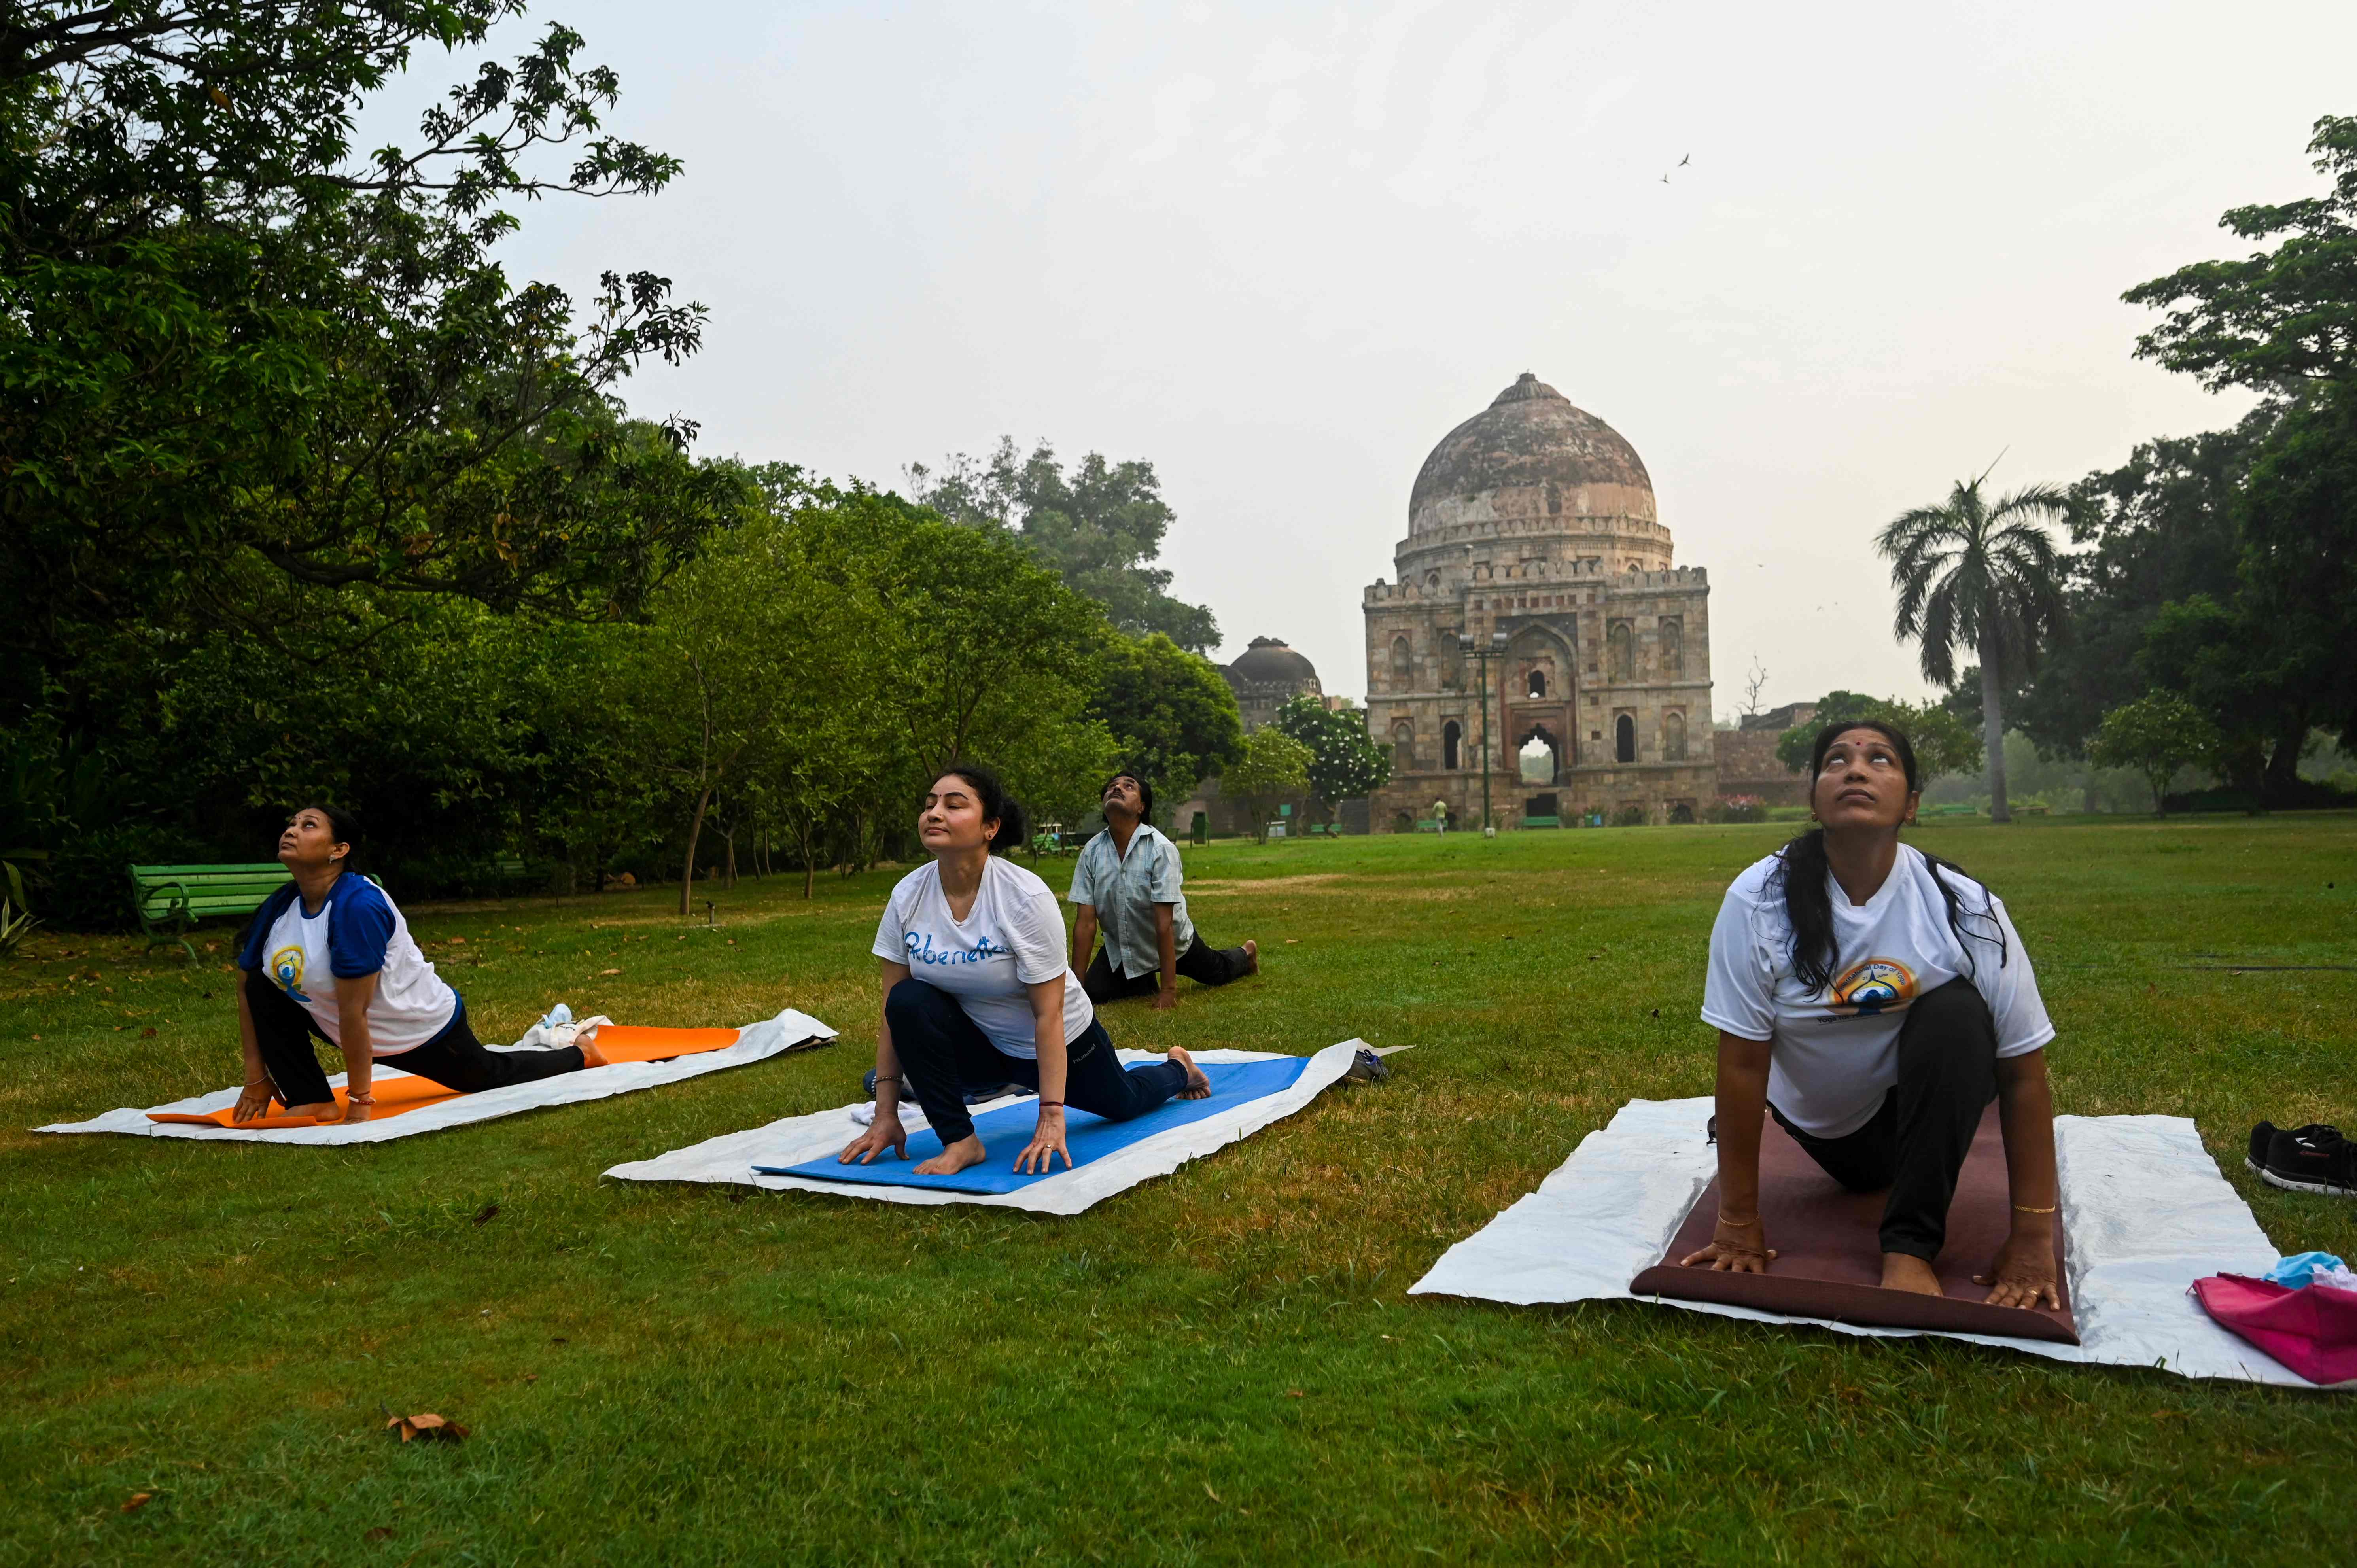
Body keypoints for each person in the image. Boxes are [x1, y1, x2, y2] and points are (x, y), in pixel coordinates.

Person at [1683, 721, 2062, 1307]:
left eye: (1879, 759)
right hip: (1830, 1134)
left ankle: (1909, 1250)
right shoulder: (1758, 900)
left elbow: (2022, 1072)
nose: (1856, 769)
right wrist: (1737, 1221)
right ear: (1814, 800)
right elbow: (1741, 1064)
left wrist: (2034, 1238)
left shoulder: (1964, 906)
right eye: (1836, 761)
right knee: (1937, 1033)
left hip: (1925, 1106)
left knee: (1958, 1015)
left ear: (1911, 804)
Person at [838, 765, 1211, 1177]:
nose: (934, 813)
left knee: (1125, 1102)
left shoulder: (1023, 896)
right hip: (984, 1047)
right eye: (929, 805)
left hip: (1061, 1041)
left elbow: (1048, 1013)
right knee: (907, 1001)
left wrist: (1051, 1113)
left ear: (991, 827)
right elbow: (893, 1012)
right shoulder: (907, 895)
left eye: (954, 805)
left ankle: (1179, 1068)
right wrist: (885, 1114)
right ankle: (960, 1140)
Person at [231, 805, 603, 1125]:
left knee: (488, 1075)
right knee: (262, 987)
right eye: (292, 824)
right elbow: (247, 988)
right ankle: (310, 1098)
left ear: (339, 850)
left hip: (418, 1028)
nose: (292, 830)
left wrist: (360, 1101)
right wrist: (256, 1079)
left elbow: (355, 1011)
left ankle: (579, 1053)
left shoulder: (357, 906)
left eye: (308, 825)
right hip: (342, 1022)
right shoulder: (281, 905)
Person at [1069, 772, 1257, 1010]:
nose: (1117, 788)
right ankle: (1142, 979)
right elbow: (1086, 925)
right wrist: (1076, 992)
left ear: (1141, 807)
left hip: (1175, 945)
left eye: (1129, 786)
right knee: (1095, 991)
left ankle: (1246, 954)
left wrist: (1169, 990)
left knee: (1218, 971)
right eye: (1112, 786)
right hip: (1124, 949)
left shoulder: (1160, 849)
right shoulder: (1092, 852)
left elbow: (1164, 924)